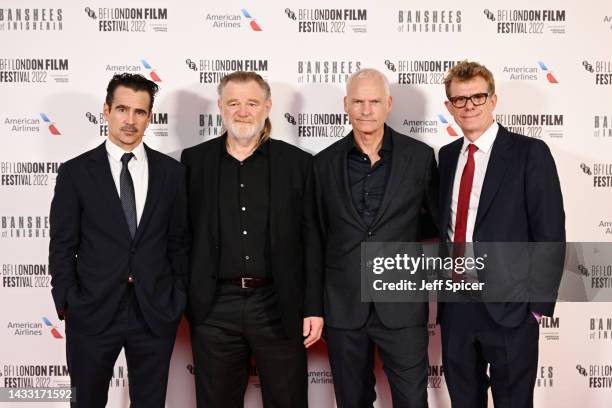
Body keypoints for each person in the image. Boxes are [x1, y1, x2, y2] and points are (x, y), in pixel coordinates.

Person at [181, 71, 323, 408]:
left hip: (279, 305)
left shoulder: (299, 164)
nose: (242, 111)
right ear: (220, 107)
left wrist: (313, 306)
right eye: (233, 103)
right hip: (214, 308)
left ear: (267, 106)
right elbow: (181, 236)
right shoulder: (194, 162)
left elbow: (312, 238)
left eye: (251, 103)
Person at [49, 73, 190, 408]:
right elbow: (62, 245)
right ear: (106, 110)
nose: (130, 120)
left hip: (154, 309)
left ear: (149, 117)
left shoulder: (171, 173)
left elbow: (180, 241)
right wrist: (68, 299)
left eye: (139, 112)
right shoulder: (75, 173)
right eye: (123, 109)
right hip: (93, 309)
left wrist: (177, 296)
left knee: (150, 402)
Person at [437, 60, 565, 408]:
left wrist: (537, 308)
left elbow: (549, 234)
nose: (469, 106)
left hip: (512, 310)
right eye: (459, 99)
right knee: (464, 400)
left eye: (478, 96)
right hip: (457, 307)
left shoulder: (529, 153)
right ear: (449, 107)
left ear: (493, 100)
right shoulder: (446, 157)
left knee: (514, 402)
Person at [312, 68, 438, 408]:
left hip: (401, 304)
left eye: (374, 101)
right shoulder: (322, 165)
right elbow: (318, 235)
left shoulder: (420, 157)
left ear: (389, 104)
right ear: (346, 105)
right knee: (352, 401)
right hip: (343, 306)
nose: (366, 110)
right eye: (358, 101)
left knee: (412, 401)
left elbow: (436, 222)